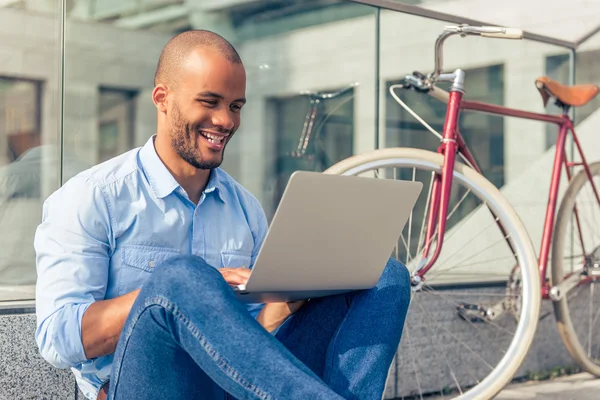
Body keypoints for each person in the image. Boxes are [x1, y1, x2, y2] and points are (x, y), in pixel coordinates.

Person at [34, 30, 411, 400]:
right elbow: (57, 339)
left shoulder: (244, 209)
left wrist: (297, 294)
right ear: (162, 98)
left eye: (235, 106)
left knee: (386, 275)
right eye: (209, 102)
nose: (226, 121)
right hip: (145, 387)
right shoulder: (94, 196)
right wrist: (196, 289)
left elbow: (258, 337)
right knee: (184, 277)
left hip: (235, 388)